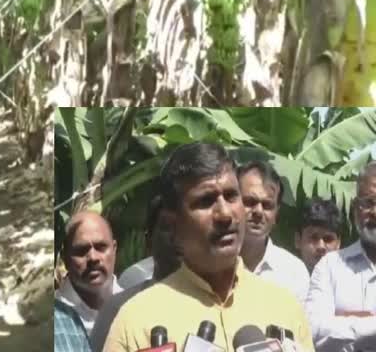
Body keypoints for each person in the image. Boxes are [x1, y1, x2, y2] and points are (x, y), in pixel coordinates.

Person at [102, 142, 314, 352]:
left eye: (231, 196)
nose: (225, 214)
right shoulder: (136, 320)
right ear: (172, 224)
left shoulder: (285, 308)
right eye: (205, 201)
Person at [90, 194, 180, 352]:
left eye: (187, 227)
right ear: (149, 240)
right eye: (167, 227)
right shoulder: (117, 309)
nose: (178, 237)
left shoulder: (217, 304)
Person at [306, 161, 376, 352]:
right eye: (368, 203)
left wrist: (343, 324)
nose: (375, 212)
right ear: (355, 209)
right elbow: (314, 332)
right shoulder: (330, 266)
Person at [237, 160, 310, 304]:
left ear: (276, 214)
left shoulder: (294, 272)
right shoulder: (212, 264)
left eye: (267, 205)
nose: (258, 211)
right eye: (250, 202)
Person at [57, 211, 122, 334]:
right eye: (81, 250)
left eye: (101, 247)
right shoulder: (55, 318)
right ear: (65, 258)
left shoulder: (134, 305)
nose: (93, 257)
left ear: (114, 249)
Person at [295, 197, 341, 273]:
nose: (321, 246)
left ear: (338, 243)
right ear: (298, 240)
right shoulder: (284, 281)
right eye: (314, 238)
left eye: (328, 239)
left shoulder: (349, 282)